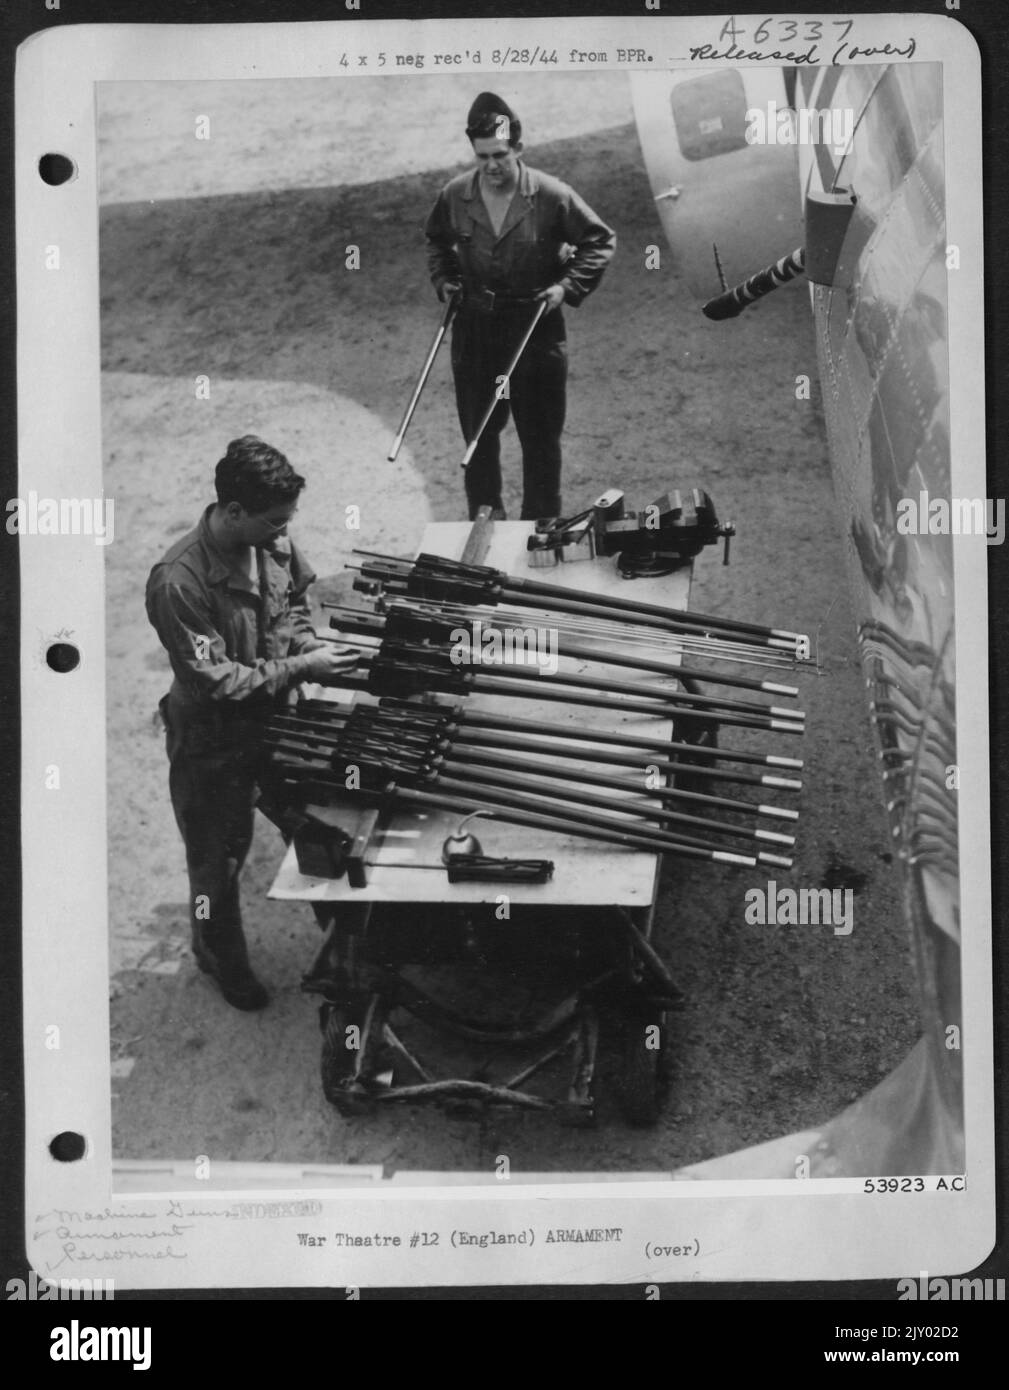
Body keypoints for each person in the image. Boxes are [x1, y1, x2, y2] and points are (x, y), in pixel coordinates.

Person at [145, 437, 357, 1010]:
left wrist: (313, 651)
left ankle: (346, 948)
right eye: (273, 521)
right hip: (212, 740)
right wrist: (303, 666)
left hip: (280, 721)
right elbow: (218, 682)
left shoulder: (273, 541)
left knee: (315, 830)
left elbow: (292, 610)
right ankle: (219, 958)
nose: (284, 532)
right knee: (217, 864)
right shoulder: (178, 583)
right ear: (233, 512)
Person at [425, 91, 616, 521]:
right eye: (482, 157)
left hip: (535, 330)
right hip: (476, 333)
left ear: (518, 149)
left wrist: (566, 288)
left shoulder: (551, 195)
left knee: (540, 441)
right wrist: (446, 281)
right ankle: (486, 524)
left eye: (500, 155)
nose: (491, 166)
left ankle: (541, 527)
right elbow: (436, 240)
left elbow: (600, 240)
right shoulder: (455, 195)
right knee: (478, 441)